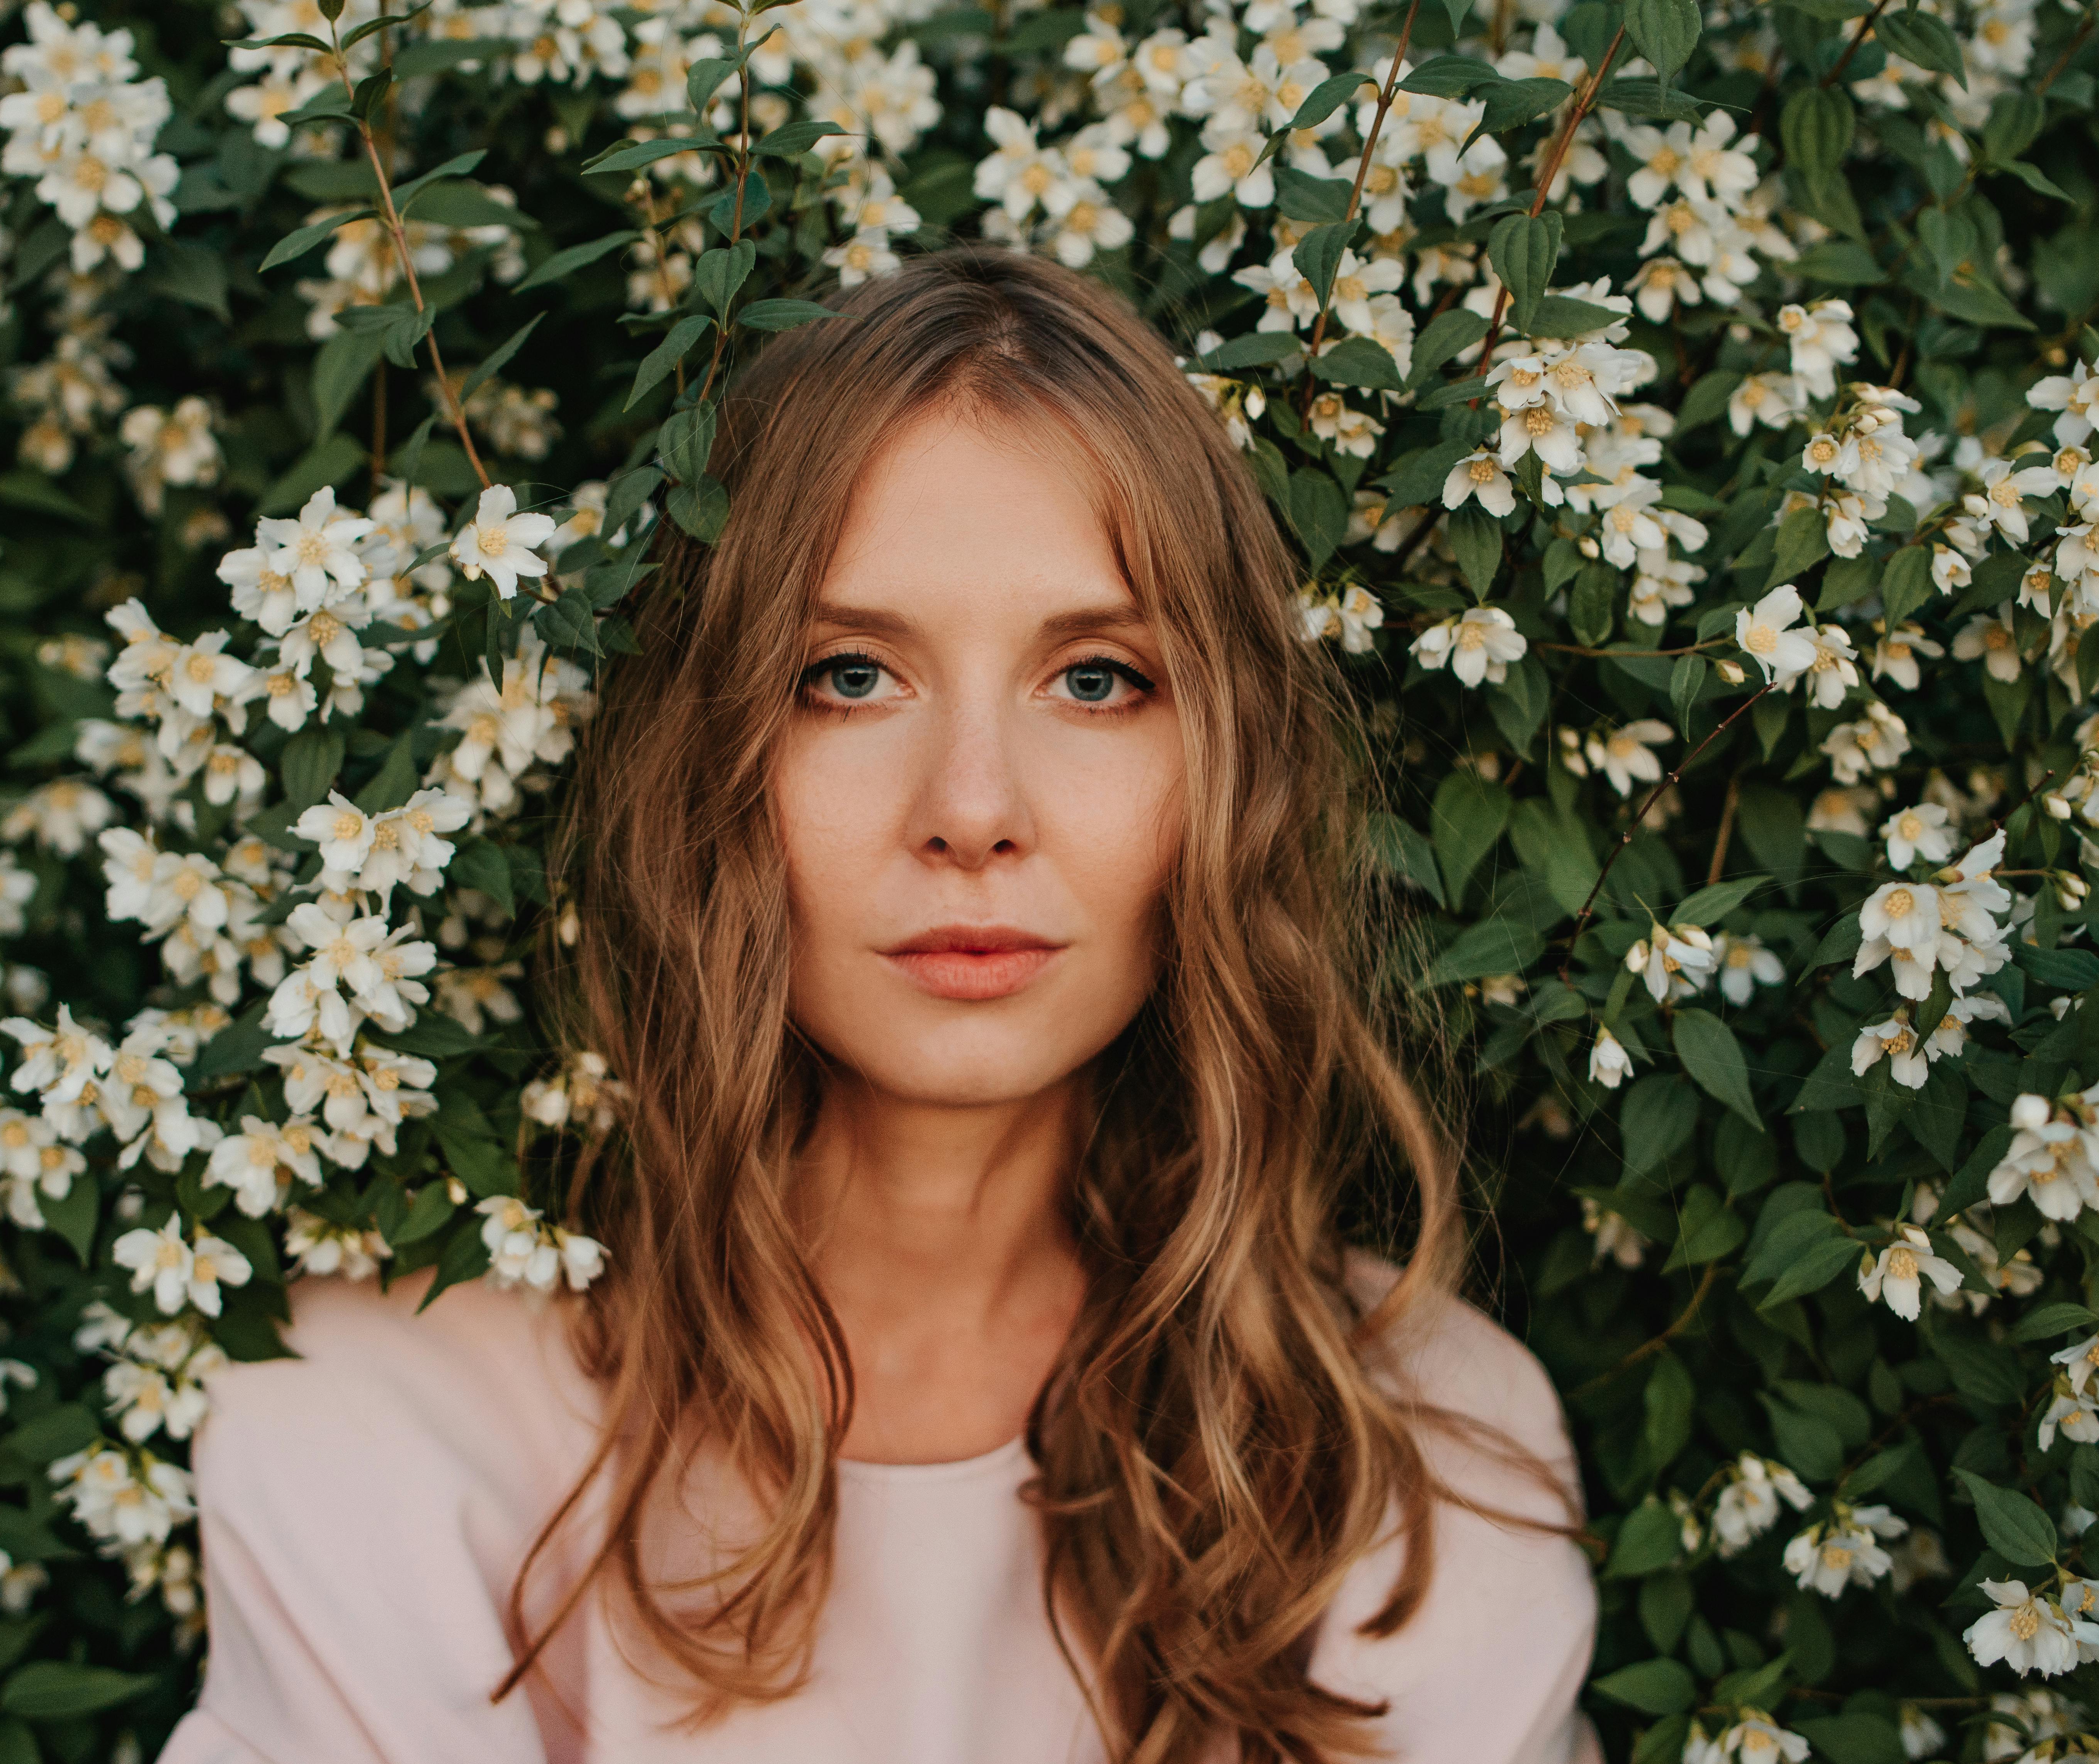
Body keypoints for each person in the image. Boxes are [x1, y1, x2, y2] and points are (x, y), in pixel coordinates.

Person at [157, 246, 1600, 1764]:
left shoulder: (1420, 1449)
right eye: (848, 673)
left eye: (1097, 679)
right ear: (707, 751)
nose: (971, 810)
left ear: (1230, 769)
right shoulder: (394, 1413)